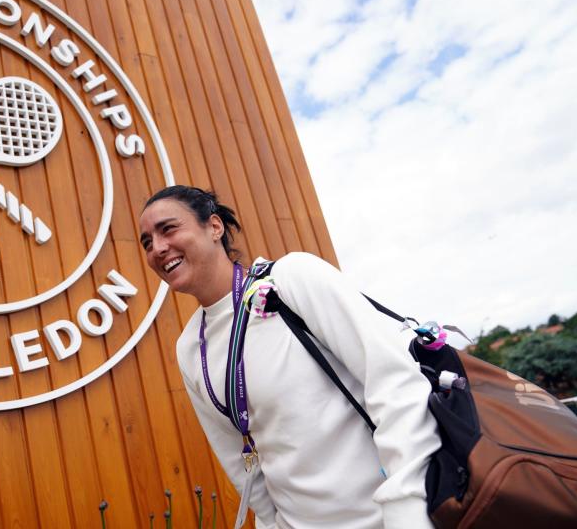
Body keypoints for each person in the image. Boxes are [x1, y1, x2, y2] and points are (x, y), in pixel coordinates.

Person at [138, 185, 440, 529]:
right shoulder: (191, 348)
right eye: (147, 242)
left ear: (214, 227)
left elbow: (395, 384)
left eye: (168, 229)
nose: (158, 248)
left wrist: (406, 507)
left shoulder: (291, 279)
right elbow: (240, 463)